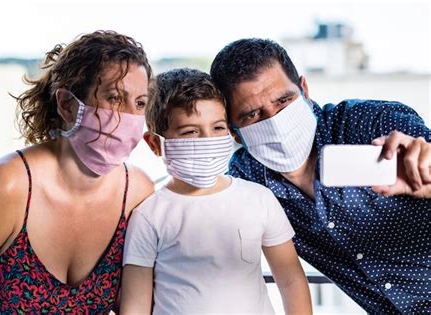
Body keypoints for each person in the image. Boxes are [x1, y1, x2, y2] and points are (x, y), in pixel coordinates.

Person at [210, 38, 431, 314]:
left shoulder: (372, 122)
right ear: (233, 131)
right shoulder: (247, 177)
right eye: (252, 115)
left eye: (284, 100)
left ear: (304, 89)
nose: (275, 120)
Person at [0, 30, 154, 313]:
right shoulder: (8, 185)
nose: (129, 117)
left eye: (139, 103)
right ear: (67, 104)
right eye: (113, 97)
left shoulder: (138, 193)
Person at [120, 68, 312, 314]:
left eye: (218, 128)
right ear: (155, 143)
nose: (207, 140)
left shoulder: (259, 199)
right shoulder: (149, 215)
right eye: (190, 131)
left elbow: (291, 280)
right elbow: (135, 306)